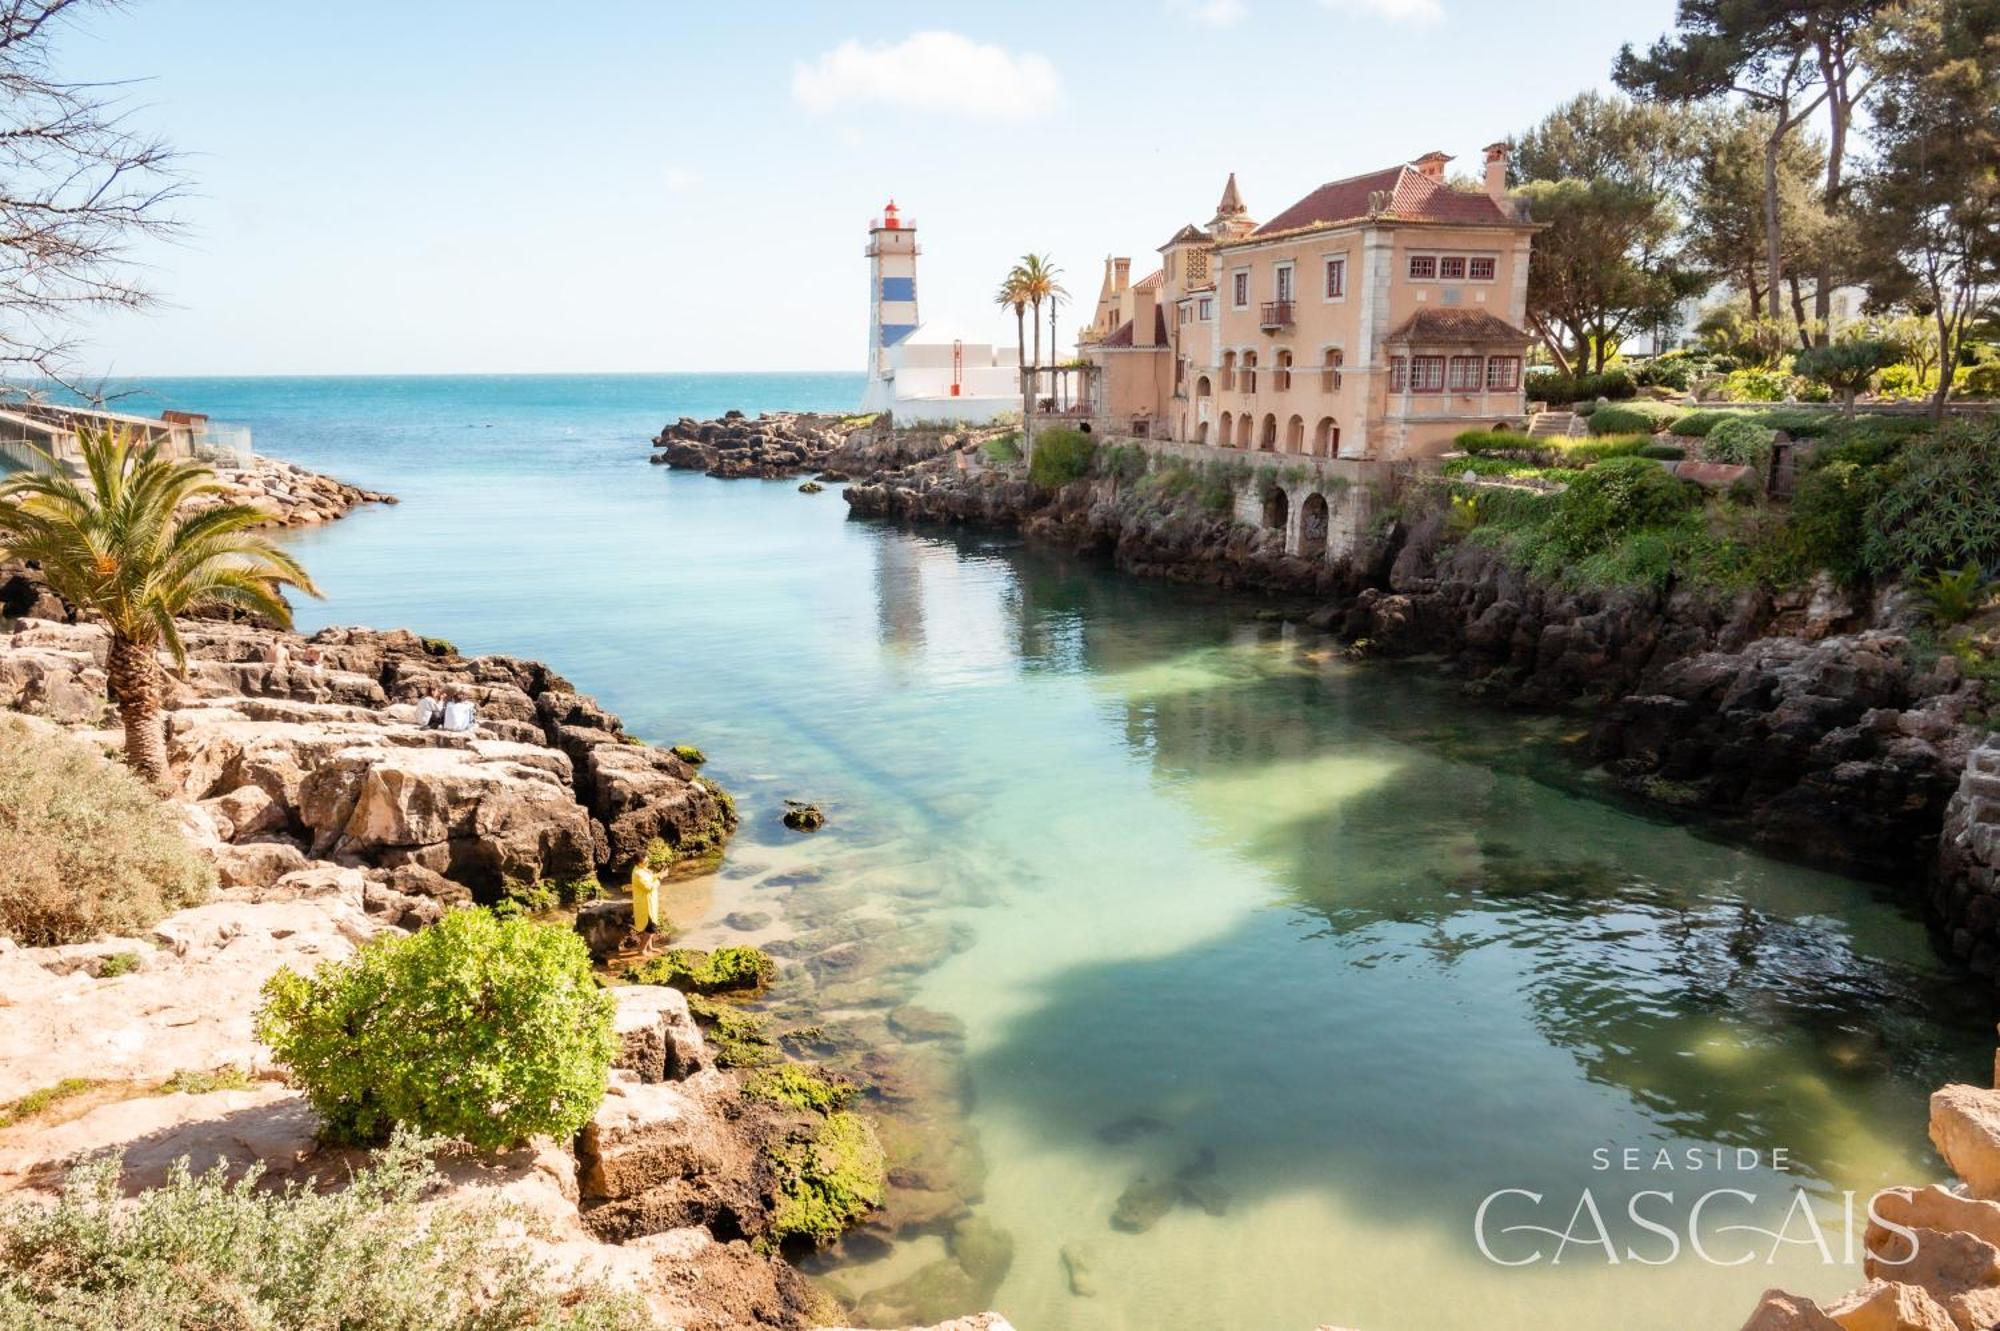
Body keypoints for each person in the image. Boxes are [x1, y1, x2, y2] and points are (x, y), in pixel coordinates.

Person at [626, 861, 664, 955]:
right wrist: (659, 878)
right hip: (645, 904)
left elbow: (649, 879)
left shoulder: (641, 869)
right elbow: (649, 887)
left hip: (649, 901)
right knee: (651, 928)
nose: (647, 863)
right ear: (639, 862)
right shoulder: (638, 873)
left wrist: (659, 874)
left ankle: (650, 948)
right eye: (645, 861)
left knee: (648, 926)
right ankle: (642, 949)